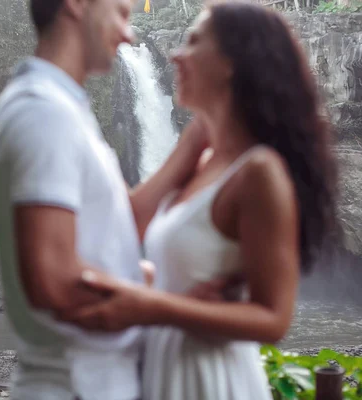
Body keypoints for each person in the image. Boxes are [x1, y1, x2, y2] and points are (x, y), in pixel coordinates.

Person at [59, 3, 339, 399]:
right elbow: (128, 226)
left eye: (193, 42)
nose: (175, 54)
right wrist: (191, 142)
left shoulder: (259, 172)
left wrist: (150, 305)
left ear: (230, 63)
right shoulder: (203, 159)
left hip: (214, 378)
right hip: (169, 370)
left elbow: (274, 319)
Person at [0, 0, 221, 399]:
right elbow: (55, 282)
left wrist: (195, 140)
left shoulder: (63, 109)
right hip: (75, 385)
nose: (129, 33)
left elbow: (115, 229)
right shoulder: (43, 112)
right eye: (122, 13)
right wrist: (179, 306)